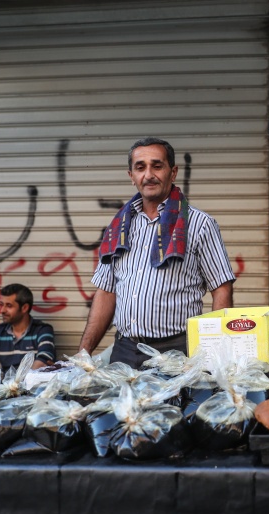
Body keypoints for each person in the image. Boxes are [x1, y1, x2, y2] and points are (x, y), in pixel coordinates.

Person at [79, 137, 235, 368]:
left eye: (157, 166)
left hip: (177, 351)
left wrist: (216, 354)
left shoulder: (200, 223)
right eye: (140, 167)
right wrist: (83, 353)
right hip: (125, 351)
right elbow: (106, 292)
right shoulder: (118, 227)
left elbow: (221, 287)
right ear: (131, 176)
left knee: (172, 406)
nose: (149, 174)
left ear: (173, 173)